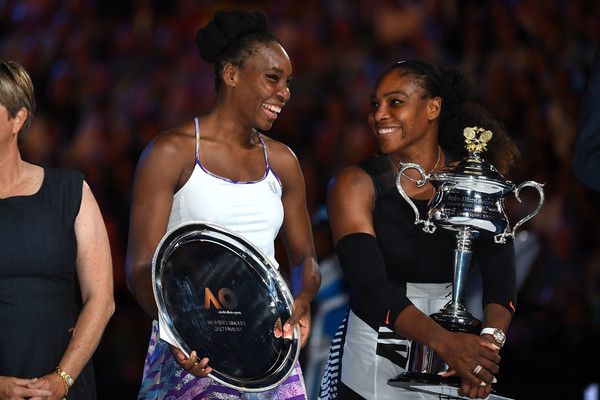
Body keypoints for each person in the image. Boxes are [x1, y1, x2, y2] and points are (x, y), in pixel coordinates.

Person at [125, 9, 321, 400]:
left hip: (268, 349)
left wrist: (302, 299)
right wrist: (180, 333)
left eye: (288, 82)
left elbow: (304, 258)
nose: (284, 92)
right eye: (272, 78)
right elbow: (140, 266)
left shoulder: (283, 161)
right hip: (192, 349)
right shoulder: (170, 152)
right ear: (231, 74)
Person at [318, 59, 520, 400]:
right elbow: (369, 284)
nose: (378, 114)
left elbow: (502, 281)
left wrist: (483, 353)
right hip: (376, 339)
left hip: (457, 347)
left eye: (395, 102)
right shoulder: (353, 183)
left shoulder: (474, 181)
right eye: (374, 104)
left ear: (433, 107)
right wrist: (447, 344)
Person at [0, 61, 115, 399]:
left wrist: (61, 379)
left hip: (64, 384)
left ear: (17, 118)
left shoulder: (69, 191)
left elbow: (102, 299)